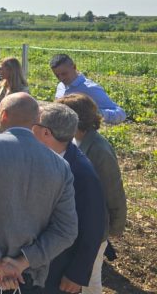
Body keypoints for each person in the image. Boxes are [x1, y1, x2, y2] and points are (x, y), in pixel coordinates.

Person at [0, 93, 78, 294]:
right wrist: (21, 263)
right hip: (26, 276)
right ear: (36, 121)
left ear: (4, 116)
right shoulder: (60, 166)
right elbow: (66, 230)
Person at [32, 103, 106, 294]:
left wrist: (76, 274)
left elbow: (94, 227)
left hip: (60, 269)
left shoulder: (81, 173)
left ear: (46, 133)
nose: (30, 127)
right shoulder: (46, 155)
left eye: (34, 124)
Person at [58, 93, 127, 294]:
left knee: (90, 282)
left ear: (75, 119)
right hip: (77, 224)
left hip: (94, 227)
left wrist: (114, 228)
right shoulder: (72, 140)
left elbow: (113, 191)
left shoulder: (99, 150)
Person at [50, 54, 126, 124]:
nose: (61, 78)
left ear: (74, 67)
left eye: (64, 74)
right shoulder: (61, 86)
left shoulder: (91, 89)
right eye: (57, 75)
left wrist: (92, 114)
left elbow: (120, 114)